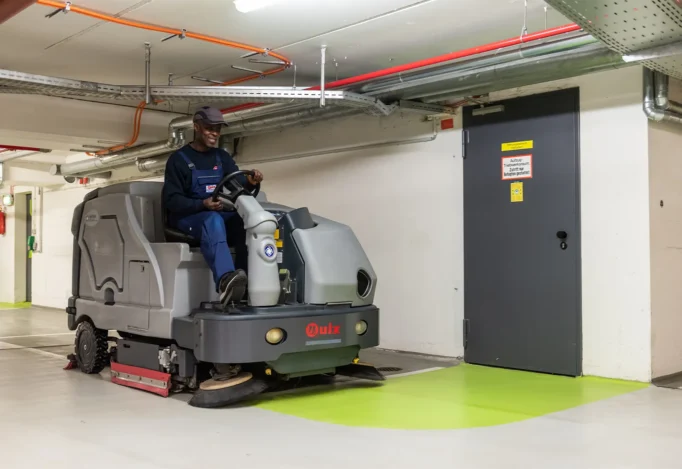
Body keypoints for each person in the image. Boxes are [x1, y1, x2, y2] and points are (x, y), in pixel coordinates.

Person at [162, 106, 264, 309]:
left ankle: (247, 282)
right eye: (209, 128)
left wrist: (250, 182)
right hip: (186, 217)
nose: (214, 133)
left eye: (217, 129)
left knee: (246, 222)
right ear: (196, 127)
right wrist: (202, 203)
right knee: (213, 219)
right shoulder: (178, 160)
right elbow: (171, 200)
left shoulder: (221, 157)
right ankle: (226, 281)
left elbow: (237, 184)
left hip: (213, 214)